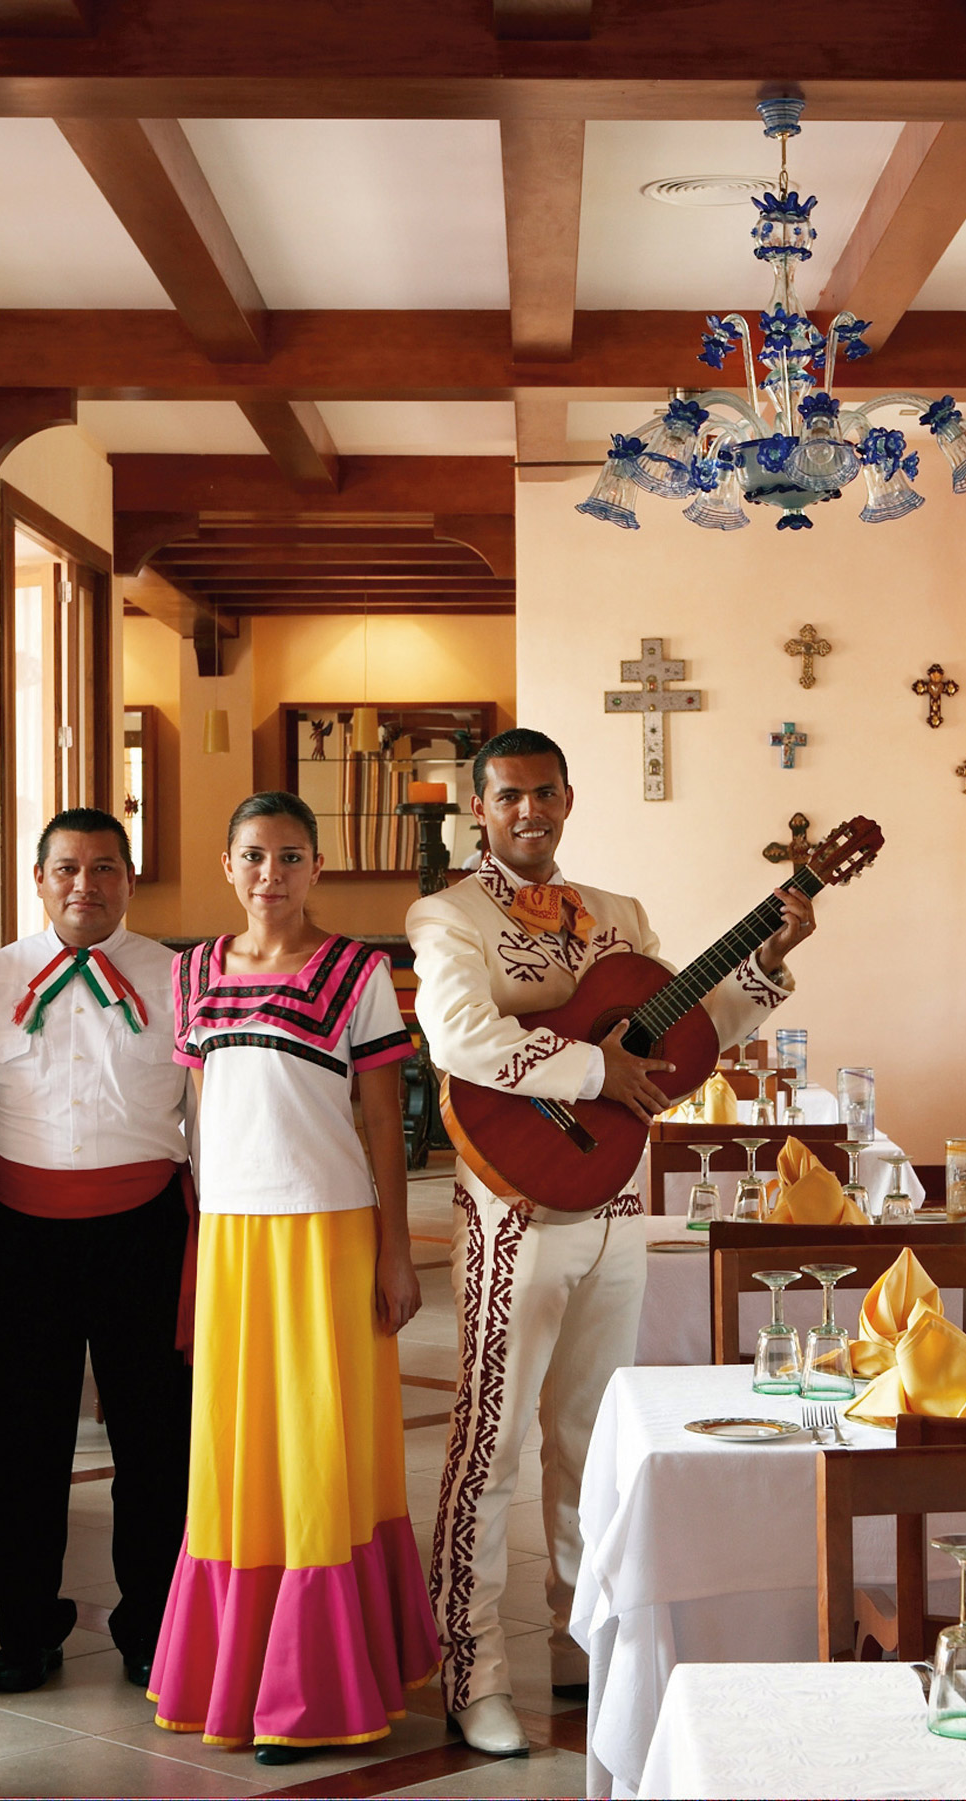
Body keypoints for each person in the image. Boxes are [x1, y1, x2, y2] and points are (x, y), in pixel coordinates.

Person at [408, 728, 816, 1755]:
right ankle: (475, 1671)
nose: (529, 813)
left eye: (545, 794)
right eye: (508, 798)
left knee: (592, 1441)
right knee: (492, 1443)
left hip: (618, 1202)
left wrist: (765, 964)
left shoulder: (620, 919)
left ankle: (583, 1646)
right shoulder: (448, 916)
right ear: (480, 807)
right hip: (515, 1204)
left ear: (570, 797)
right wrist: (598, 1074)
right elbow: (462, 1038)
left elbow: (690, 1036)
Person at [152, 792, 440, 1763]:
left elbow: (385, 1118)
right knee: (236, 1452)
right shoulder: (192, 974)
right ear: (227, 867)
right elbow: (201, 1119)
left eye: (289, 856)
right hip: (234, 1238)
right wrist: (199, 1241)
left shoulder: (358, 971)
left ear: (316, 867)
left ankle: (317, 1685)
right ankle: (237, 1670)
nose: (270, 874)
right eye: (253, 857)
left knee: (321, 1444)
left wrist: (397, 1247)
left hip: (328, 1231)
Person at [0, 807, 195, 1694]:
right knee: (22, 1444)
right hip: (26, 1234)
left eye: (103, 867)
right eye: (66, 869)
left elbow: (202, 1121)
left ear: (129, 877)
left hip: (146, 1231)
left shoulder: (176, 977)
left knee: (156, 1441)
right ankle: (25, 1628)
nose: (84, 883)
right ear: (39, 879)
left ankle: (152, 1623)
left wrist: (205, 1238)